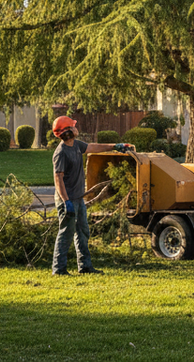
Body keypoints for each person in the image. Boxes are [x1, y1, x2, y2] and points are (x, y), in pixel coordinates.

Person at [51, 116, 132, 277]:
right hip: (67, 199)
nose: (76, 128)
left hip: (78, 198)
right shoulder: (60, 153)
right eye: (73, 127)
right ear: (67, 131)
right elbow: (58, 178)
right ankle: (58, 270)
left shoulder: (76, 145)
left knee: (82, 231)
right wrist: (66, 202)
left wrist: (115, 146)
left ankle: (85, 266)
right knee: (66, 233)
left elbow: (93, 147)